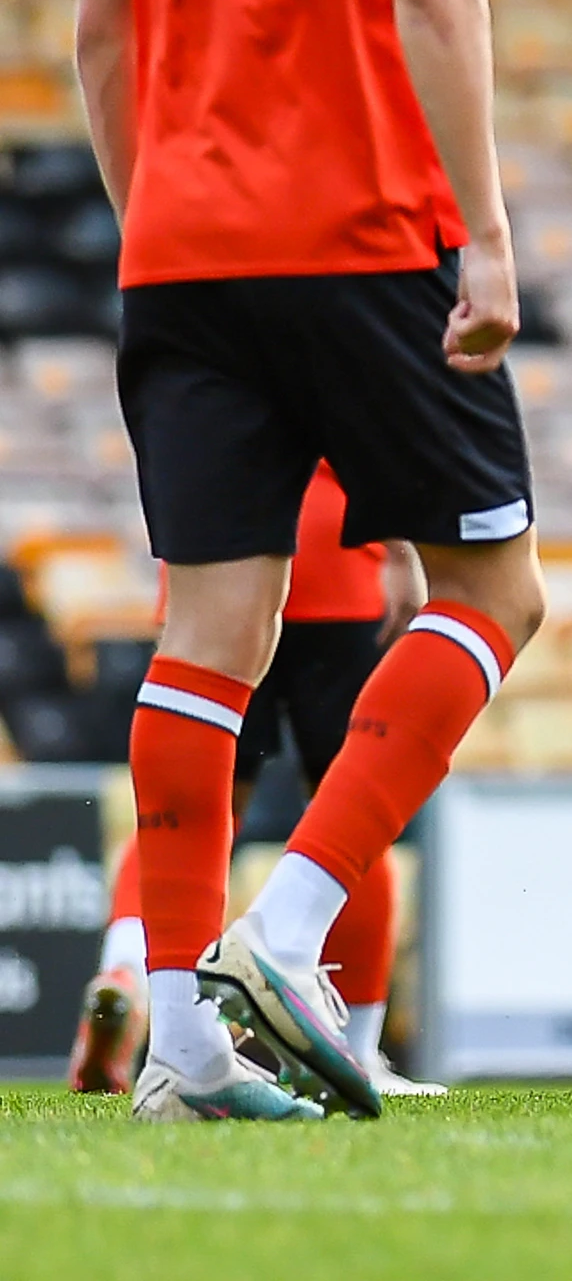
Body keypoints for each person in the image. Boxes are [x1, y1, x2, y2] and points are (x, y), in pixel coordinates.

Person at [70, 0, 552, 1123]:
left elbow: (100, 39)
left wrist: (158, 223)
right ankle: (290, 929)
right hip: (356, 232)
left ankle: (186, 1051)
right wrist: (485, 234)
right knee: (499, 594)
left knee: (208, 636)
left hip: (181, 245)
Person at [70, 465, 435, 1098]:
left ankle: (126, 969)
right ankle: (357, 1045)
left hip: (216, 550)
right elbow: (373, 418)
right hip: (339, 559)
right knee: (346, 805)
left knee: (195, 811)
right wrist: (401, 547)